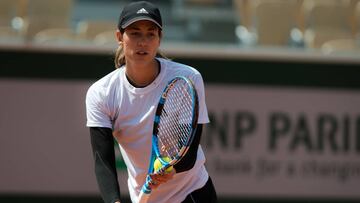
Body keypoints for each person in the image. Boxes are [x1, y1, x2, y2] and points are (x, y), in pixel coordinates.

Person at [85, 1, 217, 203]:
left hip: (191, 193)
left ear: (159, 39)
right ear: (120, 37)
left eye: (150, 34)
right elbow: (103, 160)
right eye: (135, 33)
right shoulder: (101, 93)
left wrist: (171, 170)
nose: (143, 42)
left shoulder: (189, 77)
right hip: (143, 196)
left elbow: (189, 154)